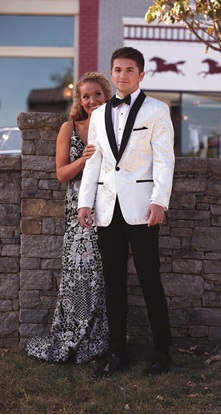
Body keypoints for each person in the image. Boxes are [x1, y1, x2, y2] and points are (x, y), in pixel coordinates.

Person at [78, 47, 175, 377]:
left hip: (143, 208)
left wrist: (160, 200)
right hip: (107, 209)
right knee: (114, 285)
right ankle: (117, 354)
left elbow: (164, 159)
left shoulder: (157, 110)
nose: (122, 75)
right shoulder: (99, 113)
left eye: (129, 70)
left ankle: (163, 353)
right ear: (112, 72)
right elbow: (95, 160)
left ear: (141, 74)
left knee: (151, 281)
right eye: (117, 69)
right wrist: (84, 202)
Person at [25, 72, 112, 364]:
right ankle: (74, 335)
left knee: (105, 275)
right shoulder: (70, 127)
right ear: (79, 100)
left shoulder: (116, 124)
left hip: (111, 209)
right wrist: (84, 159)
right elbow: (61, 174)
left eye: (96, 94)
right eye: (85, 96)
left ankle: (102, 340)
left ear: (106, 94)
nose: (91, 101)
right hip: (78, 212)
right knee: (79, 274)